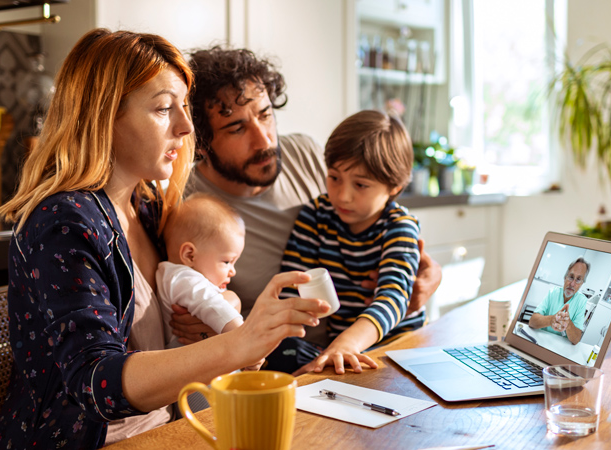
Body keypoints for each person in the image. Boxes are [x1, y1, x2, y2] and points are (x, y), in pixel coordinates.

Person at [0, 29, 327, 450]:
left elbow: (189, 307)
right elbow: (96, 381)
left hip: (167, 431)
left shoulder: (148, 208)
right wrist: (239, 343)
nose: (186, 127)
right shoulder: (64, 222)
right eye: (165, 108)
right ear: (103, 116)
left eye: (183, 107)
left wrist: (220, 314)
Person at [177, 46, 442, 351]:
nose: (264, 140)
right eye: (237, 128)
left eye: (265, 115)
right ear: (200, 143)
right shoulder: (184, 203)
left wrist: (427, 277)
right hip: (278, 351)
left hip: (376, 342)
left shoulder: (306, 152)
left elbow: (395, 251)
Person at [269, 109, 425, 375]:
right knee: (282, 354)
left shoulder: (399, 226)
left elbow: (394, 297)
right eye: (334, 178)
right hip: (339, 351)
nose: (343, 196)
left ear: (394, 186)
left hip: (395, 350)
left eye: (361, 185)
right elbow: (291, 290)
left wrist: (348, 343)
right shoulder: (315, 216)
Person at [157, 193, 245, 347]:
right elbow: (214, 306)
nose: (233, 272)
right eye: (227, 261)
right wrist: (248, 341)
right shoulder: (182, 278)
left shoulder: (180, 276)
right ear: (189, 255)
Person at [529, 257, 590, 344]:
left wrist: (567, 323)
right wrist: (552, 320)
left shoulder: (582, 301)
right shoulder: (553, 292)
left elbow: (576, 340)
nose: (572, 284)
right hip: (541, 341)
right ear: (565, 277)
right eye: (571, 277)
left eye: (578, 279)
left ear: (582, 284)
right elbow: (532, 322)